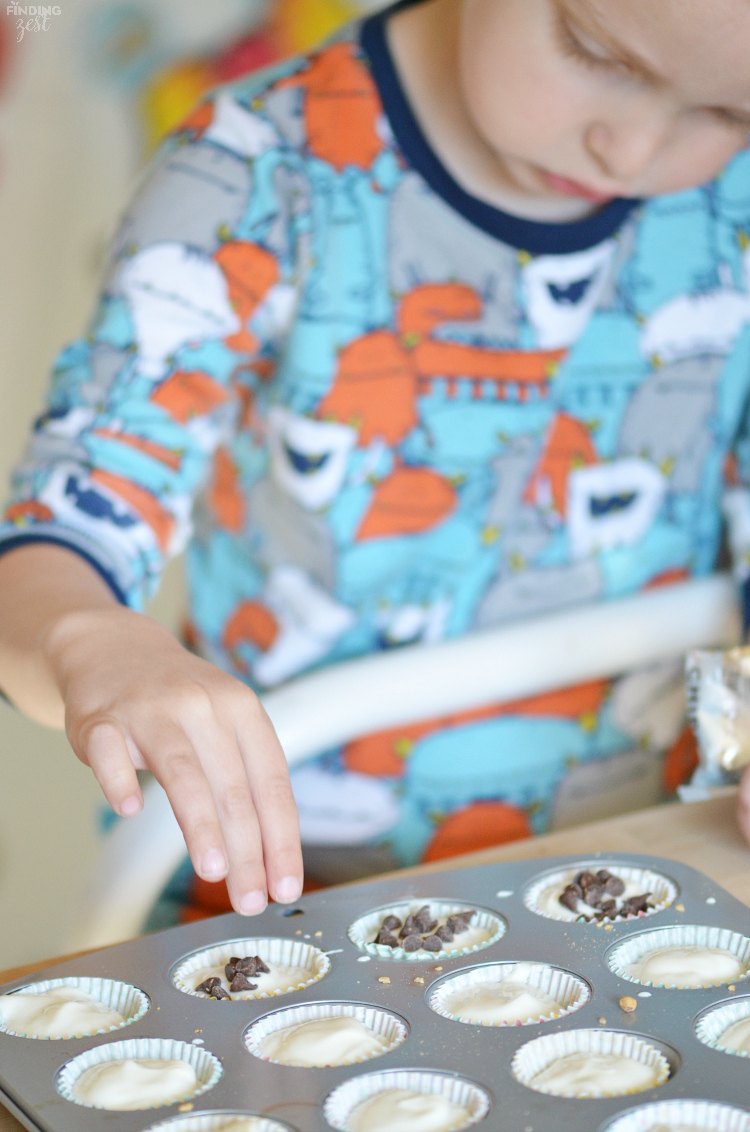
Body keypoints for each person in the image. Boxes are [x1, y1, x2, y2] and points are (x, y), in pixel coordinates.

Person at [2, 0, 750, 922]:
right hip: (280, 914)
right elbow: (63, 537)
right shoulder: (251, 178)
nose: (631, 154)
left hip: (645, 881)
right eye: (595, 51)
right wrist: (88, 639)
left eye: (728, 113)